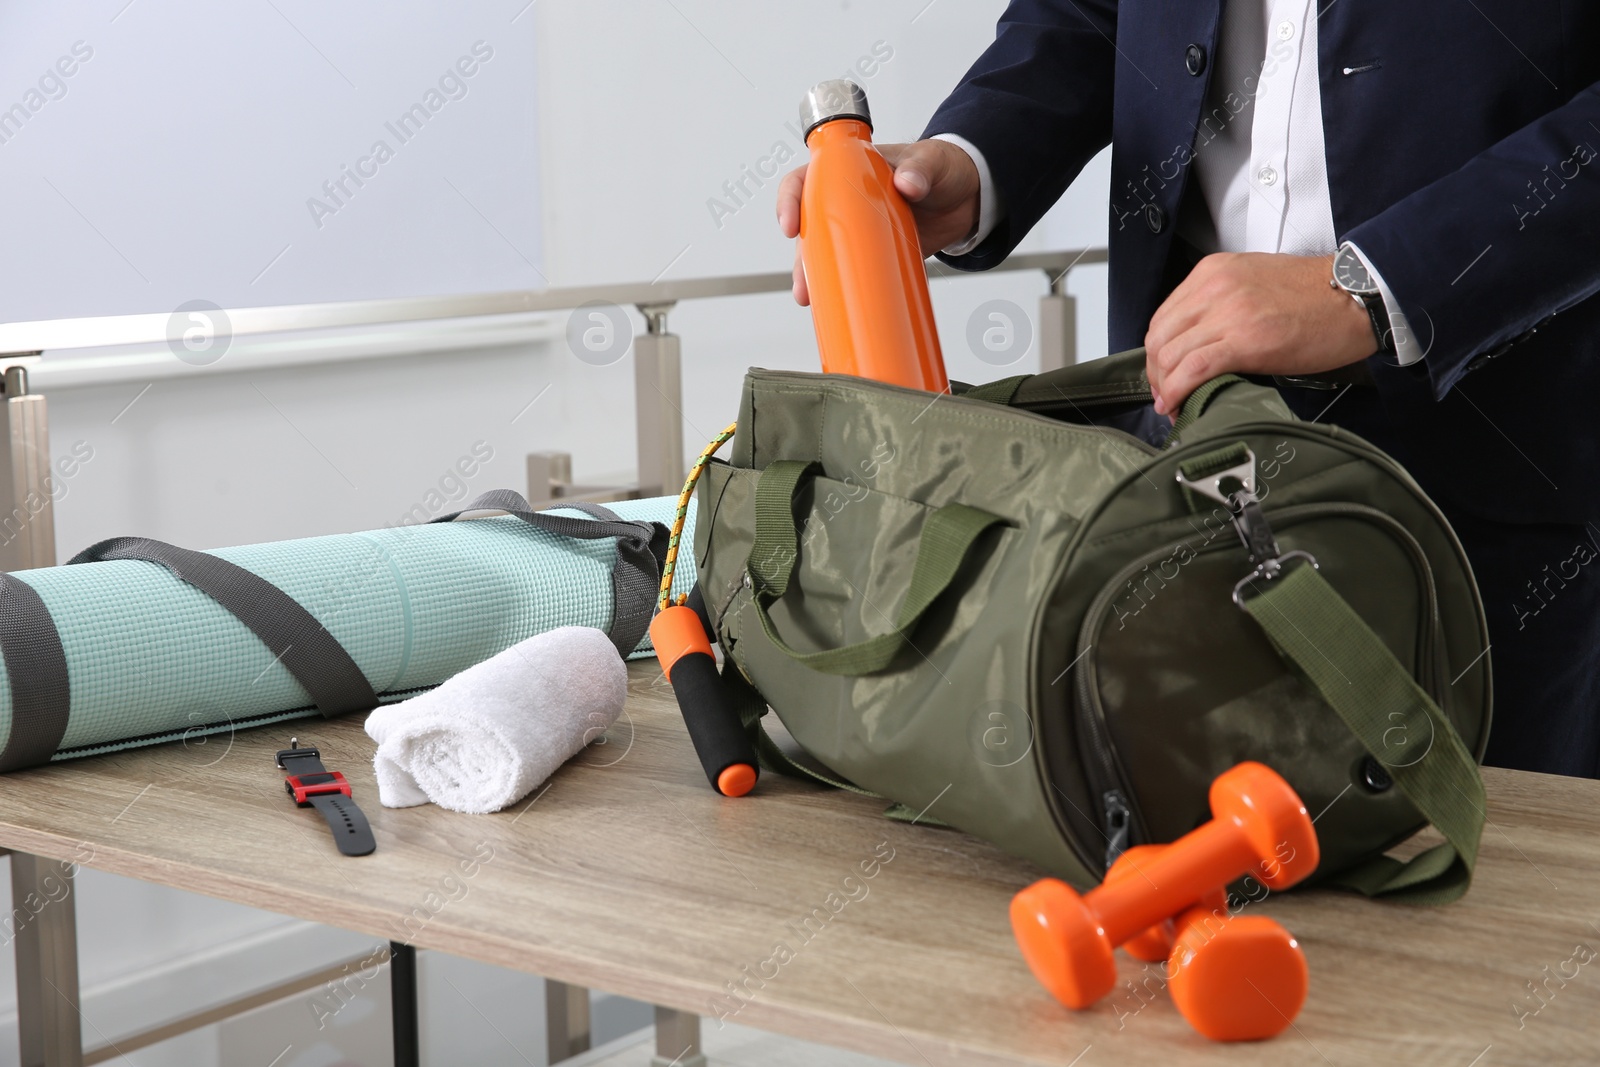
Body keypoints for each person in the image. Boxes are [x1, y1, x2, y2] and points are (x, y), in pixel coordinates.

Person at [777, 1, 1600, 778]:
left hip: (1497, 474)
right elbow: (1091, 12)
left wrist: (1378, 283)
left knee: (1490, 889)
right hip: (1176, 459)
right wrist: (975, 156)